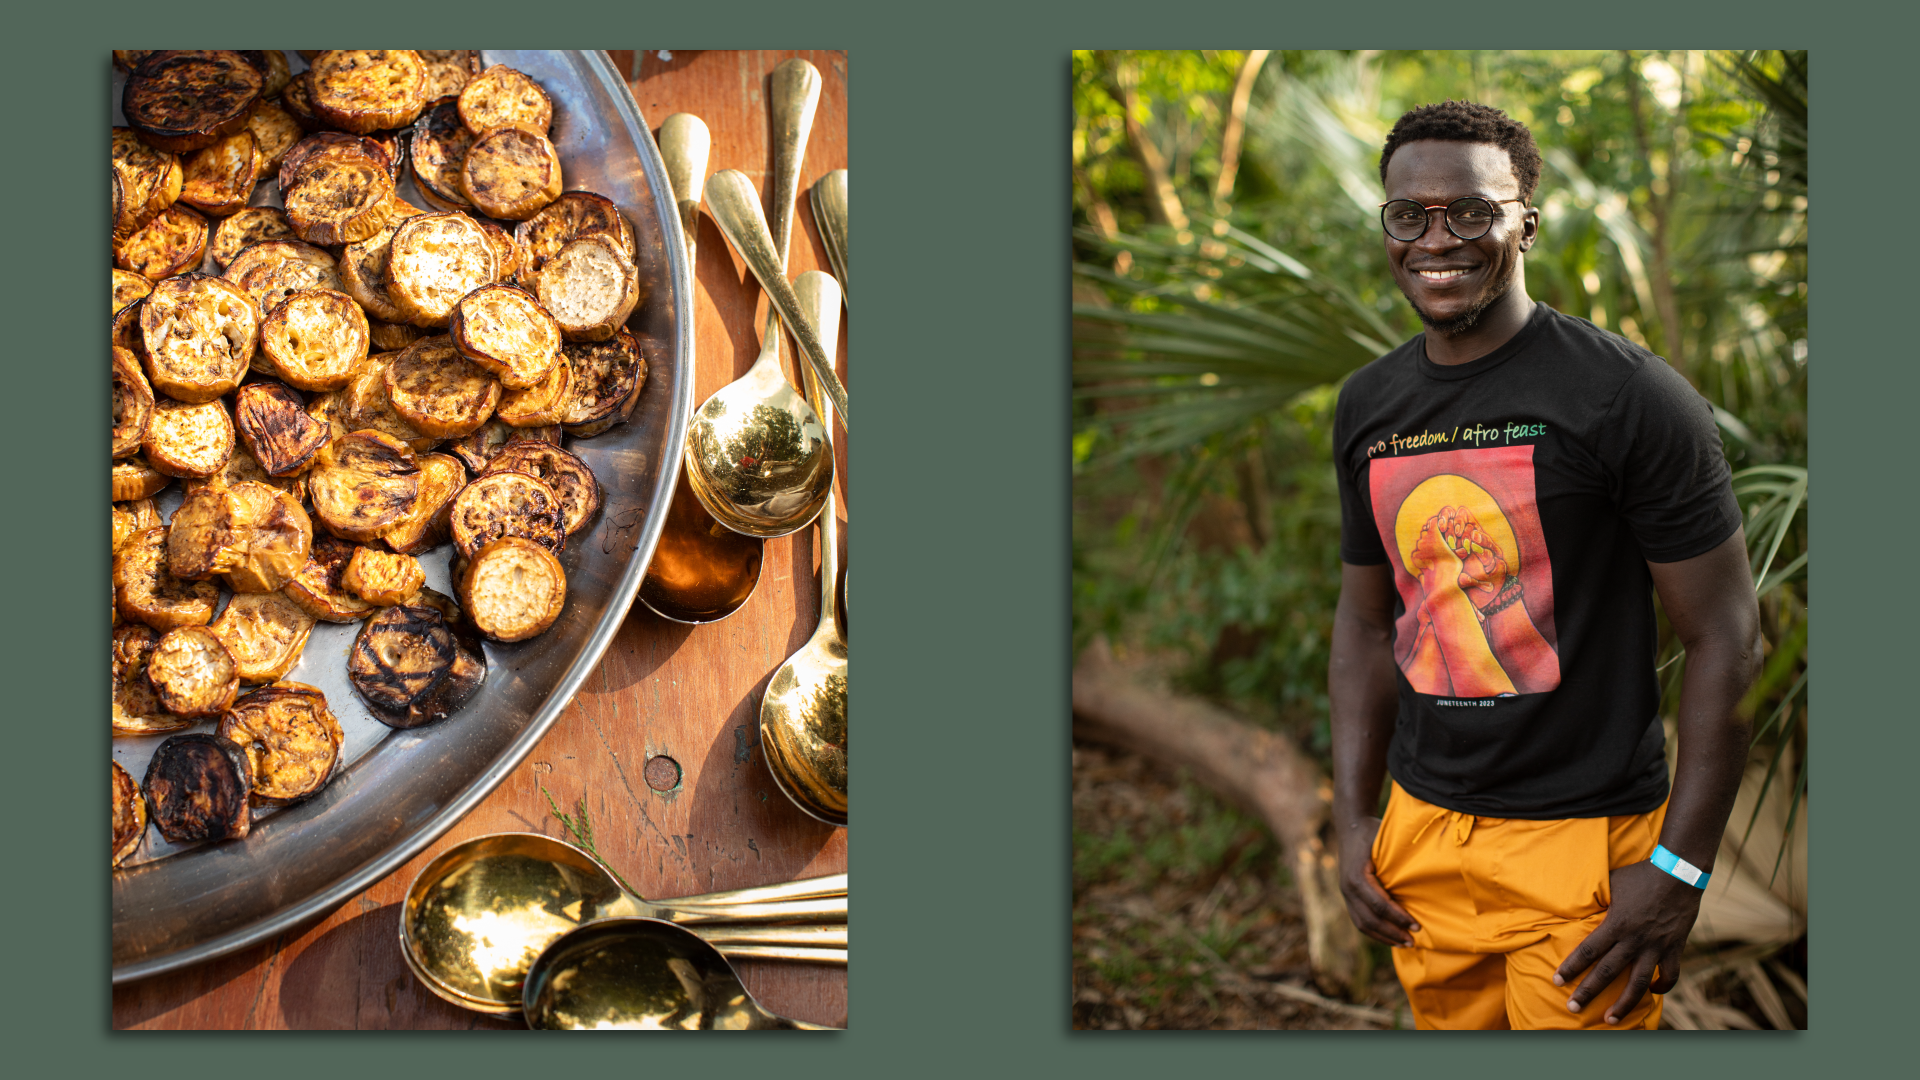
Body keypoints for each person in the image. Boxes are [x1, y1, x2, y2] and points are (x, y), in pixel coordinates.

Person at [1327, 100, 1761, 1030]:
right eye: (1411, 215)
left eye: (1471, 211)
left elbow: (1728, 636)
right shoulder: (1369, 402)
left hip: (1585, 845)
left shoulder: (1629, 396)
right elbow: (1367, 622)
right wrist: (1353, 819)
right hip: (1423, 835)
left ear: (1525, 219)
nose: (1437, 238)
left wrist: (1678, 872)